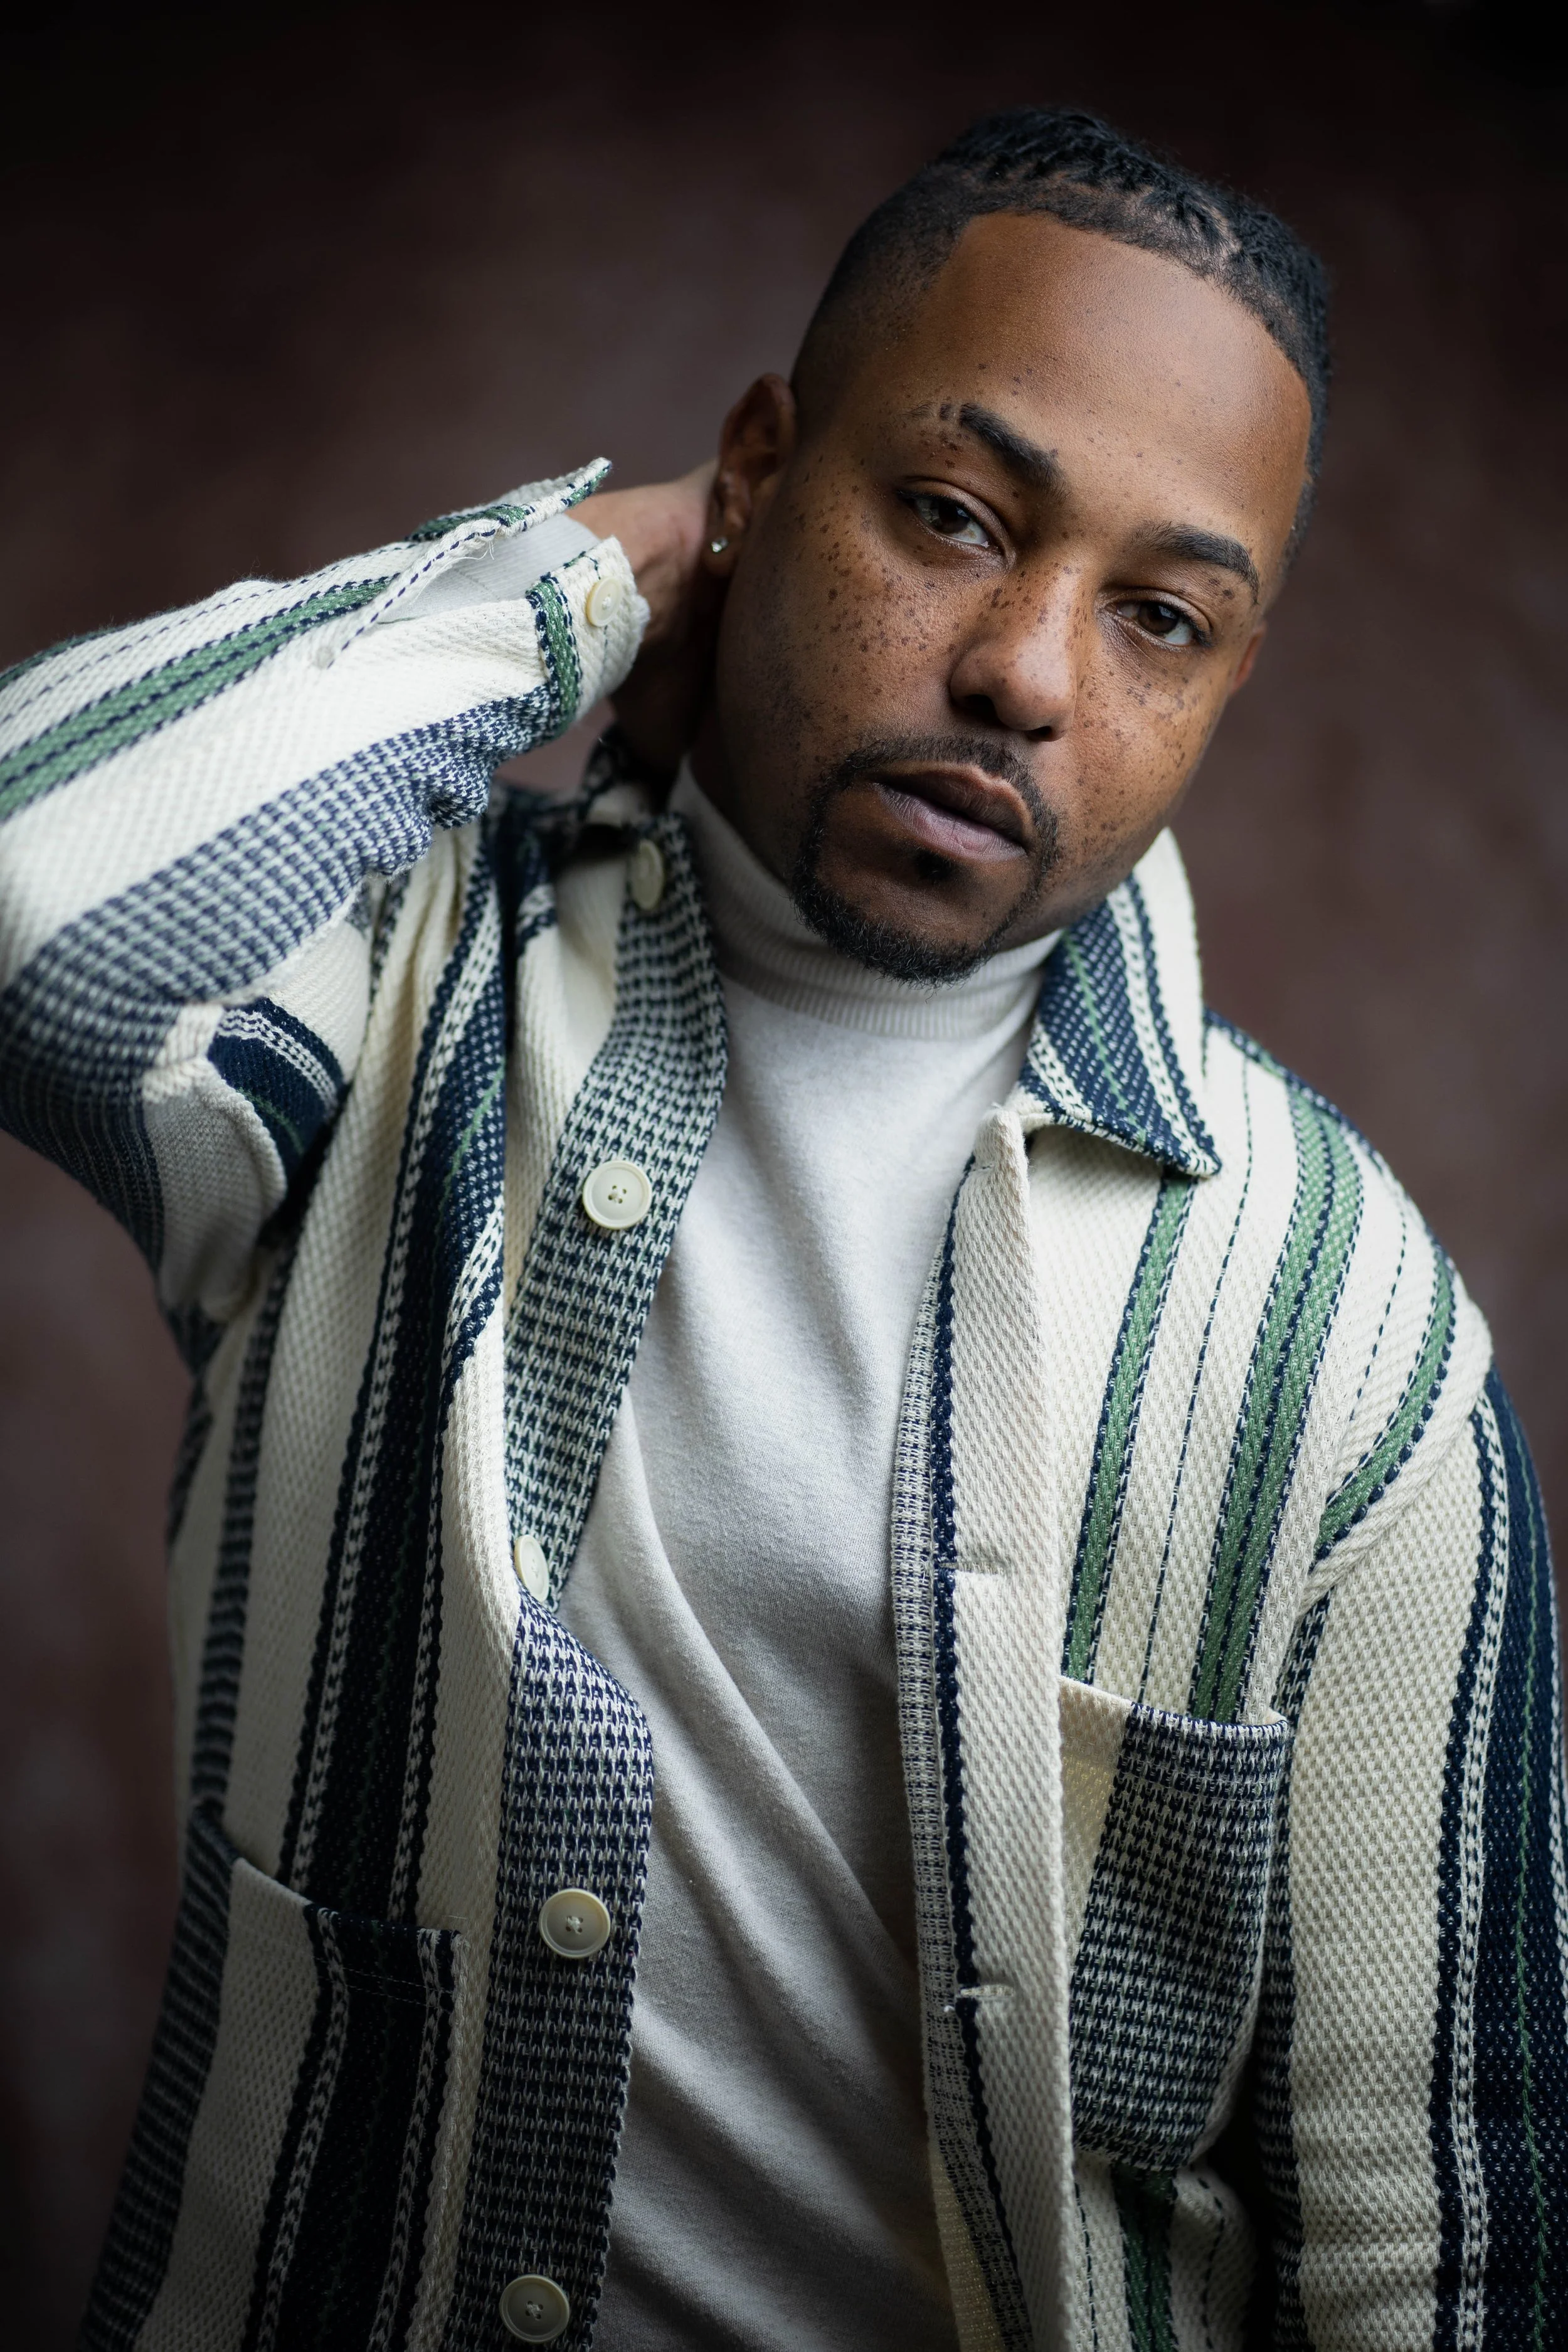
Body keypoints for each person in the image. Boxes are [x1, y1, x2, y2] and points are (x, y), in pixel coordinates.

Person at [1, 102, 1562, 2352]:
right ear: (761, 470)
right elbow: (39, 892)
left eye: (1161, 619)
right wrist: (590, 588)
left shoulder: (1335, 1324)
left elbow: (1450, 2236)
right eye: (947, 514)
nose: (1026, 670)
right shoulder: (375, 1006)